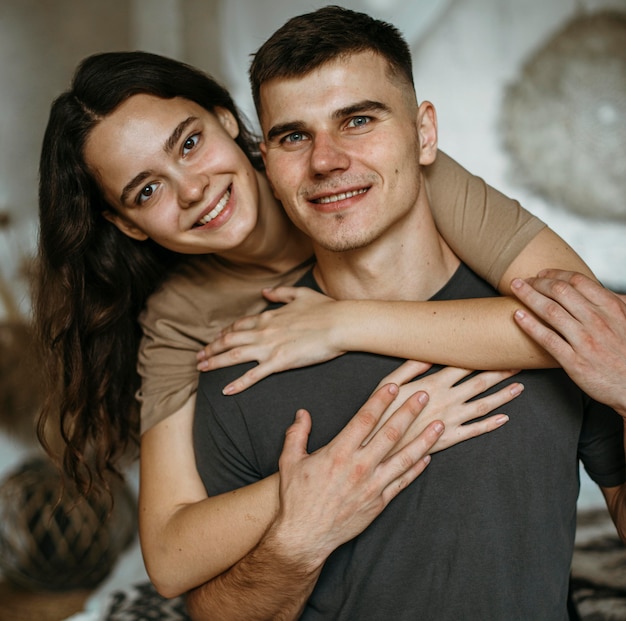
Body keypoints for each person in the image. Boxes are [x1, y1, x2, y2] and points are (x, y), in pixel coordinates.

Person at [36, 49, 590, 600]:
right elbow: (170, 555)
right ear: (127, 225)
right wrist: (339, 470)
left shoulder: (377, 176)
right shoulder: (180, 317)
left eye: (189, 143)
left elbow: (586, 322)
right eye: (147, 190)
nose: (191, 189)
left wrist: (340, 324)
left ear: (226, 121)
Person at [186, 7, 626, 619]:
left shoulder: (564, 334)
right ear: (268, 163)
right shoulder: (244, 365)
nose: (325, 160)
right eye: (293, 136)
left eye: (358, 120)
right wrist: (299, 542)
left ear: (424, 134)